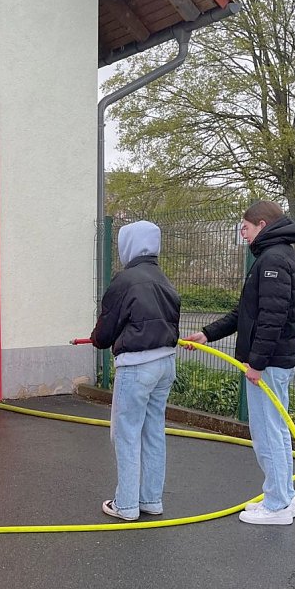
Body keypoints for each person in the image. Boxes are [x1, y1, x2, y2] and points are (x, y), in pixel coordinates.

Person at [183, 200, 295, 526]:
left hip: (270, 364)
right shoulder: (273, 256)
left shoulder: (273, 261)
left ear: (261, 226)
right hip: (274, 363)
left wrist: (256, 363)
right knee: (274, 432)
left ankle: (278, 505)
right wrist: (208, 334)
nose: (243, 234)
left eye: (246, 228)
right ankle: (280, 497)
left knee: (268, 433)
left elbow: (272, 319)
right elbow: (246, 314)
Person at [91, 220, 180, 521]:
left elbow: (104, 334)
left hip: (136, 366)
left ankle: (126, 504)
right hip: (165, 363)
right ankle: (150, 500)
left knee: (127, 434)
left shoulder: (125, 280)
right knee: (153, 431)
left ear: (127, 245)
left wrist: (96, 337)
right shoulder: (164, 280)